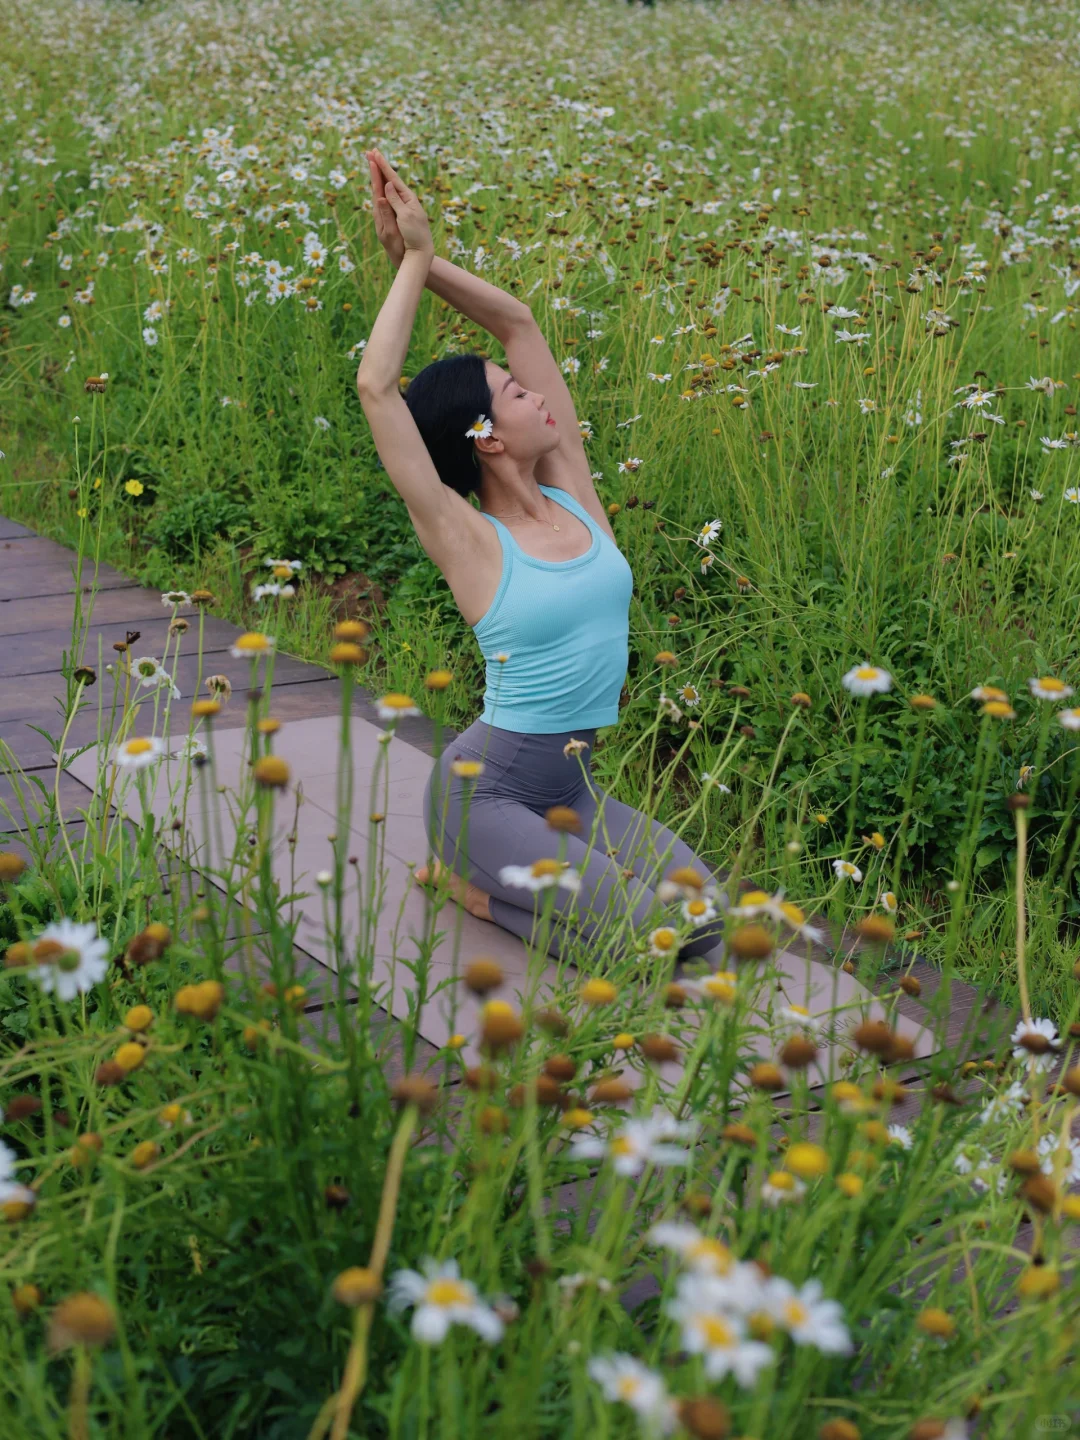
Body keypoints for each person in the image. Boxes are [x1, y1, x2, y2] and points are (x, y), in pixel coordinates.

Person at [355, 149, 728, 968]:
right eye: (514, 396)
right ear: (484, 438)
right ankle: (476, 892)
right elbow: (378, 391)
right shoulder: (467, 537)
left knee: (705, 922)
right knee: (648, 938)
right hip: (486, 795)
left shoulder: (570, 495)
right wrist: (411, 268)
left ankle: (518, 889)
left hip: (570, 788)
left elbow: (518, 323)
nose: (536, 395)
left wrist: (421, 254)